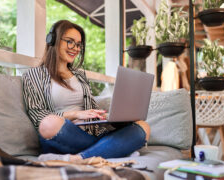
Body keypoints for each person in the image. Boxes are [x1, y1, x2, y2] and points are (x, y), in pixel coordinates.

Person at [22, 20, 150, 162]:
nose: (75, 48)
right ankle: (115, 149)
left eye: (78, 44)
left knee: (143, 127)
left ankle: (79, 158)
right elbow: (37, 116)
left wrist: (111, 118)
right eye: (70, 42)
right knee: (49, 123)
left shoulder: (80, 76)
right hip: (64, 134)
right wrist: (75, 114)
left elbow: (91, 110)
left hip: (90, 134)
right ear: (53, 40)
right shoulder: (33, 75)